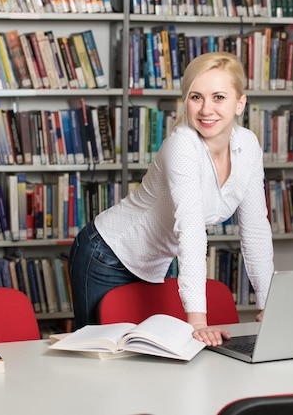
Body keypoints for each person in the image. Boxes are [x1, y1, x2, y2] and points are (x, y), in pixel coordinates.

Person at [68, 51, 274, 347]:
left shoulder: (248, 146)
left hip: (154, 263)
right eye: (196, 97)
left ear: (239, 103)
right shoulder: (182, 145)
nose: (206, 110)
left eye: (218, 97)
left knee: (143, 354)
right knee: (95, 352)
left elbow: (255, 229)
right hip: (105, 254)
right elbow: (190, 231)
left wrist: (269, 304)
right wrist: (199, 324)